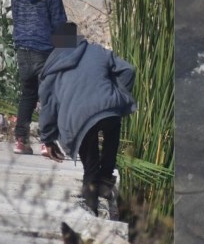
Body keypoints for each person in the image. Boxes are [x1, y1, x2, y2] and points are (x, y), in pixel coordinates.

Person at [39, 22, 136, 217]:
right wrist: (118, 94)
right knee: (113, 124)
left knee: (90, 165)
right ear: (79, 37)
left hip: (78, 120)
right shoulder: (98, 51)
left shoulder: (53, 68)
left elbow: (48, 106)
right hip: (108, 108)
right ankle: (107, 180)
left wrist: (47, 139)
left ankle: (90, 209)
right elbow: (129, 71)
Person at [10, 0, 67, 155]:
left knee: (28, 95)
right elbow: (59, 23)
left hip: (22, 49)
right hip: (44, 50)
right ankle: (47, 143)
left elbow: (17, 19)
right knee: (48, 97)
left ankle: (20, 141)